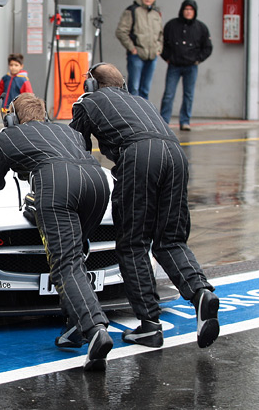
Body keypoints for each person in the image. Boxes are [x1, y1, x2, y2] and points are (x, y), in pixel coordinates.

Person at [70, 63, 220, 349]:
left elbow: (78, 153)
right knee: (170, 240)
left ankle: (150, 325)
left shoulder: (87, 102)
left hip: (139, 155)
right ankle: (200, 293)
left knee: (132, 243)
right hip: (176, 155)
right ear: (123, 85)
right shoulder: (141, 101)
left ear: (91, 85)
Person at [0, 93, 113, 371]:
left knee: (65, 265)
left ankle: (95, 329)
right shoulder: (67, 132)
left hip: (57, 186)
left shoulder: (7, 137)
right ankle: (75, 328)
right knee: (75, 254)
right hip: (97, 184)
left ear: (11, 118)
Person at [159, 0, 212, 131]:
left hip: (191, 67)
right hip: (174, 66)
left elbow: (208, 47)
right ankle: (164, 121)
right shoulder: (171, 25)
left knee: (188, 95)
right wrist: (167, 57)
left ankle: (185, 121)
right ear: (182, 10)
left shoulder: (201, 28)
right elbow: (161, 43)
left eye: (191, 10)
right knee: (169, 94)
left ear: (195, 12)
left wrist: (197, 59)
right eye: (186, 9)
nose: (188, 12)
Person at [115, 0, 163, 99]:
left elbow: (161, 33)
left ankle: (143, 115)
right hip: (137, 56)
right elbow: (121, 32)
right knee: (134, 89)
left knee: (145, 89)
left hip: (152, 57)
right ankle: (133, 115)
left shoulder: (156, 13)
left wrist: (159, 49)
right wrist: (132, 48)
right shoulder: (132, 10)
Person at [0, 53, 33, 121]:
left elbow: (28, 95)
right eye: (11, 65)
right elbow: (1, 90)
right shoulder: (5, 78)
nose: (13, 67)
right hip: (5, 108)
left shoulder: (23, 80)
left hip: (17, 109)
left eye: (16, 65)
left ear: (21, 66)